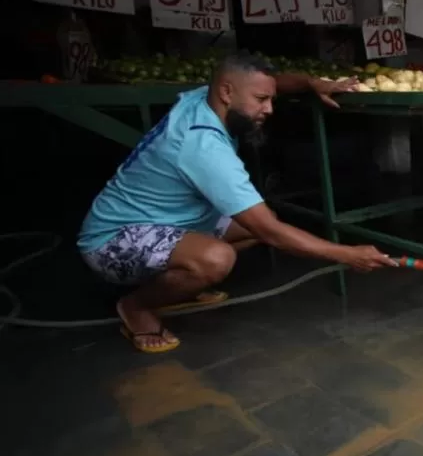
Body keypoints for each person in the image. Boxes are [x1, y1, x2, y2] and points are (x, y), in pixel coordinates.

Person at [77, 52, 397, 353]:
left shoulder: (206, 98)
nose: (270, 109)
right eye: (261, 100)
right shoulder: (203, 146)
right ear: (227, 92)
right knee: (217, 258)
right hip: (111, 241)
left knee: (252, 224)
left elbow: (274, 82)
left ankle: (181, 278)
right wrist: (348, 254)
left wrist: (312, 83)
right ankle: (137, 306)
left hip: (165, 220)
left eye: (270, 98)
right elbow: (270, 231)